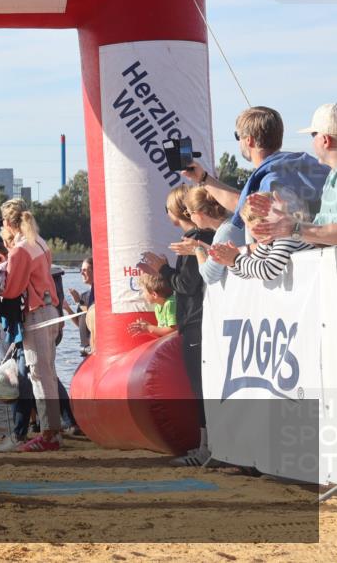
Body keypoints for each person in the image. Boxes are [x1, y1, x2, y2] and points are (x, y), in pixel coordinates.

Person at [137, 185, 214, 467]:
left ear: (176, 212)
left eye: (167, 209)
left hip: (196, 321)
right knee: (204, 386)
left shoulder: (194, 240)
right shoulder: (201, 239)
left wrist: (164, 270)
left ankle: (207, 447)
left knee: (200, 387)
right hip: (202, 320)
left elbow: (186, 285)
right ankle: (211, 445)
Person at [181, 106, 329, 245]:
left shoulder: (271, 180)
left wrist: (238, 255)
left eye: (237, 136)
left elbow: (275, 239)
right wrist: (203, 178)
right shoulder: (307, 166)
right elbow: (243, 204)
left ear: (249, 140)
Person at [0, 199, 64, 453]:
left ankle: (49, 434)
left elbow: (12, 290)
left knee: (38, 373)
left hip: (35, 315)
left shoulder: (20, 250)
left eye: (2, 221)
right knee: (48, 372)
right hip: (52, 312)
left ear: (8, 223)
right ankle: (53, 430)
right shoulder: (40, 242)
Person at [249, 102, 337, 246]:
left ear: (325, 140)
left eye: (313, 134)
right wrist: (281, 230)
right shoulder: (332, 177)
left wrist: (294, 228)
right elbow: (324, 238)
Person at [209, 193, 313, 280]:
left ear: (259, 224)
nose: (249, 232)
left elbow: (268, 271)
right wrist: (231, 262)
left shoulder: (286, 237)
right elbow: (248, 273)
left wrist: (236, 259)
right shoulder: (267, 243)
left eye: (248, 227)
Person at [173, 187, 234, 284]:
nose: (191, 219)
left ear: (199, 214)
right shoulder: (231, 221)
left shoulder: (224, 232)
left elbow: (209, 276)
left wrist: (198, 250)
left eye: (188, 214)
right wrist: (207, 250)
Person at [63, 257, 94, 356]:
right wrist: (67, 309)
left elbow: (93, 319)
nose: (81, 273)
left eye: (85, 270)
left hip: (94, 347)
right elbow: (80, 324)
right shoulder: (84, 296)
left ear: (94, 271)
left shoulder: (100, 294)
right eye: (81, 270)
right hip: (85, 350)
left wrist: (78, 302)